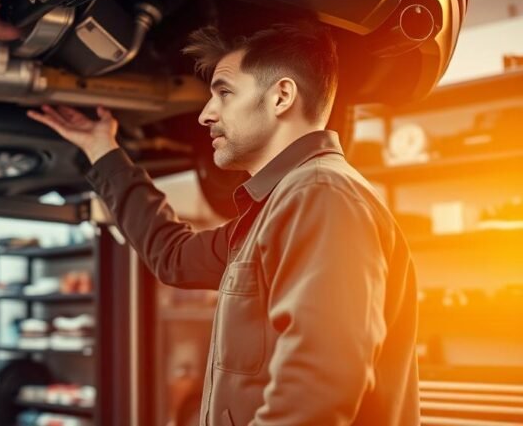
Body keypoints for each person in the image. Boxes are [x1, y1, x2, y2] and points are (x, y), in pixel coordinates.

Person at [27, 23, 420, 426]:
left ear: (281, 96)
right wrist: (101, 149)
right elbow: (174, 256)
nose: (205, 114)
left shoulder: (321, 193)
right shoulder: (281, 206)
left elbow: (320, 382)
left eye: (224, 92)